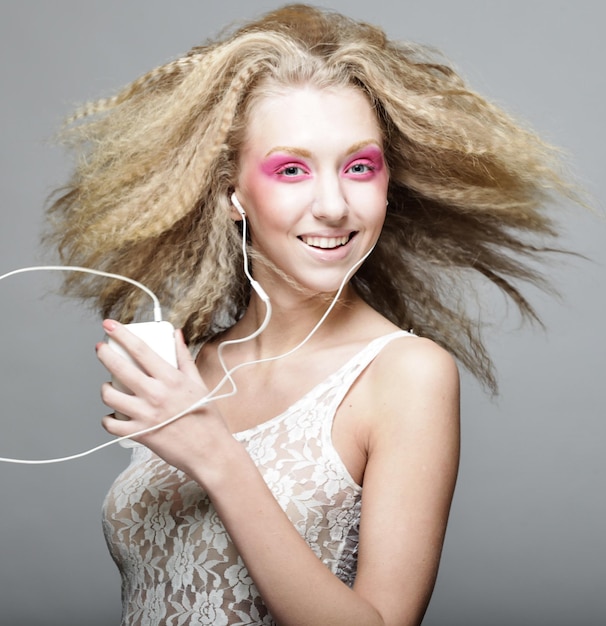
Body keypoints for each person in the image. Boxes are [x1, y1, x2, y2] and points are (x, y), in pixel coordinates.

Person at [44, 4, 576, 625]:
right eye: (291, 170)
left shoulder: (406, 374)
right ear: (231, 192)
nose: (333, 205)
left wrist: (214, 452)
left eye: (358, 167)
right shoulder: (190, 363)